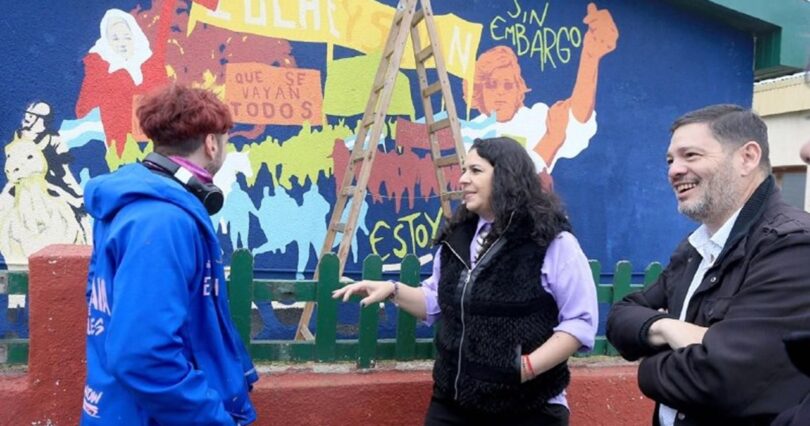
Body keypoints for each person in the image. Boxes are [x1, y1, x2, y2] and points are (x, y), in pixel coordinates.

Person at [334, 137, 598, 425]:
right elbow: (435, 301)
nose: (462, 179)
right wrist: (392, 290)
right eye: (463, 170)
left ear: (506, 176)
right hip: (452, 404)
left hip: (527, 410)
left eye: (475, 170)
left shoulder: (551, 241)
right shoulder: (457, 237)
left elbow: (579, 322)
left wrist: (524, 368)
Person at [606, 104, 810, 425]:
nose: (674, 170)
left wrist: (647, 367)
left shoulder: (792, 244)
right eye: (670, 160)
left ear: (747, 157)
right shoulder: (695, 247)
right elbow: (621, 316)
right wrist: (668, 327)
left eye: (691, 155)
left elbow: (725, 380)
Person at [81, 84, 258, 425]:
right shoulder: (164, 221)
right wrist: (214, 419)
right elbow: (143, 356)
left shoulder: (136, 204)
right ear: (211, 143)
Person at [461, 3, 618, 188]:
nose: (500, 92)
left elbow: (578, 115)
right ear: (479, 91)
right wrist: (550, 141)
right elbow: (505, 187)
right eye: (491, 85)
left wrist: (590, 57)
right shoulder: (469, 133)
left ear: (519, 90)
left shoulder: (535, 120)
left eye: (508, 85)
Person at [75, 1, 172, 156]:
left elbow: (168, 103)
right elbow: (82, 110)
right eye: (115, 38)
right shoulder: (100, 70)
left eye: (127, 37)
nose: (122, 43)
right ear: (106, 42)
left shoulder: (150, 65)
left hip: (156, 148)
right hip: (120, 150)